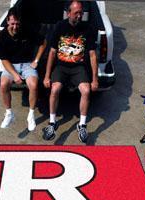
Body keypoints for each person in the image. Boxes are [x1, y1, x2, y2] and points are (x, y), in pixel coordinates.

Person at [42, 0, 98, 143]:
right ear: (69, 13)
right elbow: (52, 52)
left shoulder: (88, 28)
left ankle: (82, 125)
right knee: (55, 89)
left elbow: (92, 55)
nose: (79, 16)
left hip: (78, 67)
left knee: (86, 91)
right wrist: (47, 76)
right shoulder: (60, 27)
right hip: (61, 66)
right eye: (76, 13)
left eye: (81, 13)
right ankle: (52, 123)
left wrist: (95, 79)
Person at [0, 7, 47, 131]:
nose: (15, 26)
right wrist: (14, 75)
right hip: (11, 64)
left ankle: (30, 115)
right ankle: (9, 114)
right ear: (7, 21)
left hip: (27, 63)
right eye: (12, 23)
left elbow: (43, 42)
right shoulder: (2, 35)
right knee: (3, 84)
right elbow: (4, 59)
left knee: (34, 85)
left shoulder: (27, 30)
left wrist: (36, 60)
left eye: (17, 23)